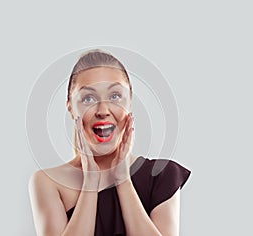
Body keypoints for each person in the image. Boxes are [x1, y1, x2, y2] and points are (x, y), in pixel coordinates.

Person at [29, 49, 191, 236]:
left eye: (115, 96)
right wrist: (90, 181)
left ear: (129, 103)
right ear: (71, 108)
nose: (103, 110)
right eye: (88, 98)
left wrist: (122, 179)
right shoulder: (48, 182)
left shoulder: (161, 176)